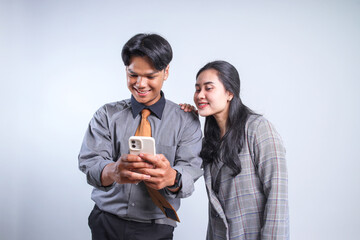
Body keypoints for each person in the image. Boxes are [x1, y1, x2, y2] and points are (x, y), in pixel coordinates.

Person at [78, 33, 203, 240]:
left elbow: (191, 170)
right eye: (133, 74)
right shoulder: (106, 115)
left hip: (156, 227)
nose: (140, 84)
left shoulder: (186, 120)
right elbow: (90, 164)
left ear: (166, 72)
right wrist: (113, 171)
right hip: (106, 221)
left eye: (150, 76)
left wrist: (171, 177)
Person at [180, 60, 289, 240]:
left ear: (229, 93)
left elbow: (277, 195)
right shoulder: (210, 140)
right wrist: (186, 121)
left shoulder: (258, 128)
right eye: (197, 89)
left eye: (209, 88)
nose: (200, 95)